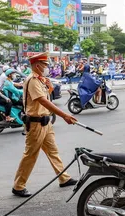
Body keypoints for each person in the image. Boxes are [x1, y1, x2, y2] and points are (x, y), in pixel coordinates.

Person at [12, 52, 78, 197]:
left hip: (45, 123)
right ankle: (18, 186)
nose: (48, 67)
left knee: (53, 151)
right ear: (37, 65)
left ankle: (63, 178)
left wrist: (49, 88)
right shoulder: (33, 80)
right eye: (45, 64)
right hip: (36, 124)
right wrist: (64, 115)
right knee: (30, 155)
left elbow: (43, 98)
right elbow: (43, 101)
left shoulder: (41, 80)